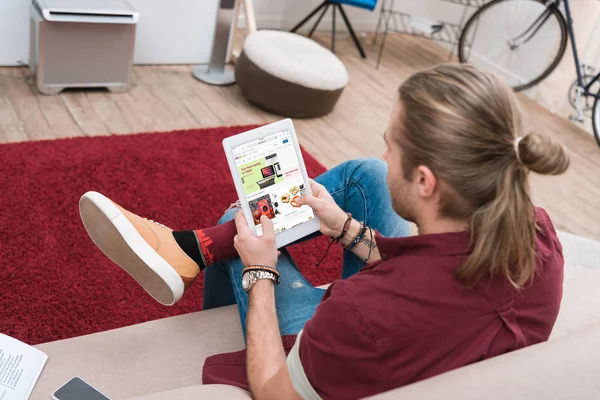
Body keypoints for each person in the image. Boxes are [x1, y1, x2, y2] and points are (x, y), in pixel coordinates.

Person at [79, 63, 569, 400]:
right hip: (427, 327)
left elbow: (277, 392)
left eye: (392, 147)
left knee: (242, 222)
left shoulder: (359, 312)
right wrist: (345, 229)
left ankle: (199, 252)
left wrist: (260, 274)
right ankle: (192, 250)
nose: (386, 154)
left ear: (425, 181)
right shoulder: (540, 238)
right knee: (366, 178)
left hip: (354, 349)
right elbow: (435, 272)